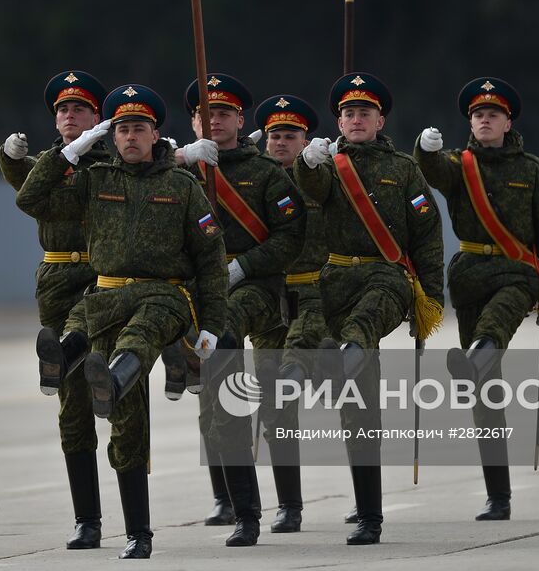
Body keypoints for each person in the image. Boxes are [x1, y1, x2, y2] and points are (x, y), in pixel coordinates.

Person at [19, 83, 227, 559]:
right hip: (107, 291)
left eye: (140, 129)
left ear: (157, 135)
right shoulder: (96, 181)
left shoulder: (182, 187)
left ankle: (107, 379)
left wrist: (211, 325)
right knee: (124, 417)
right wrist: (72, 151)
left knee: (138, 336)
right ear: (111, 137)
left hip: (164, 295)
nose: (131, 137)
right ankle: (67, 360)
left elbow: (211, 263)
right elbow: (32, 200)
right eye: (123, 130)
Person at [293, 72, 444, 545]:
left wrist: (432, 300)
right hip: (334, 275)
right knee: (359, 408)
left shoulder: (402, 168)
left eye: (365, 113)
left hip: (386, 274)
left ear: (381, 120)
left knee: (360, 328)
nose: (356, 119)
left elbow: (427, 235)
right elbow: (312, 193)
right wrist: (308, 165)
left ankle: (370, 517)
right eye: (348, 113)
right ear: (338, 120)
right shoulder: (327, 163)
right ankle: (367, 513)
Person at [413, 77, 539, 521]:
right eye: (478, 115)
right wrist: (424, 150)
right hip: (469, 274)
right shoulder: (458, 165)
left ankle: (478, 351)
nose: (485, 120)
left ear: (508, 122)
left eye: (493, 114)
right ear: (471, 122)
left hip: (517, 270)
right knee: (485, 393)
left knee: (497, 324)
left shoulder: (531, 170)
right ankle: (498, 496)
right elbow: (431, 172)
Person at [172, 74, 304, 546]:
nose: (216, 121)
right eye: (206, 114)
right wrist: (182, 158)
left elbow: (291, 237)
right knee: (215, 406)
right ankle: (230, 501)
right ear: (193, 121)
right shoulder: (179, 170)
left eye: (224, 113)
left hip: (259, 291)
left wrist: (244, 266)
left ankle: (287, 503)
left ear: (240, 120)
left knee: (273, 398)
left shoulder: (266, 171)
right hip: (201, 292)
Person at [0, 70, 111, 549]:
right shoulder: (50, 163)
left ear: (96, 117)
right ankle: (87, 519)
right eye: (63, 110)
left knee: (117, 388)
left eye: (79, 109)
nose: (69, 116)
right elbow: (29, 194)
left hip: (106, 279)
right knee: (73, 404)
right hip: (58, 279)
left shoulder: (114, 161)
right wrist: (7, 157)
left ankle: (137, 516)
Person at [251, 92, 329, 533]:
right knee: (275, 404)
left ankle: (364, 501)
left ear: (306, 139)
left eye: (291, 136)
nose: (282, 143)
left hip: (316, 294)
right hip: (270, 300)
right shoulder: (254, 181)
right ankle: (289, 505)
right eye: (275, 136)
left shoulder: (322, 176)